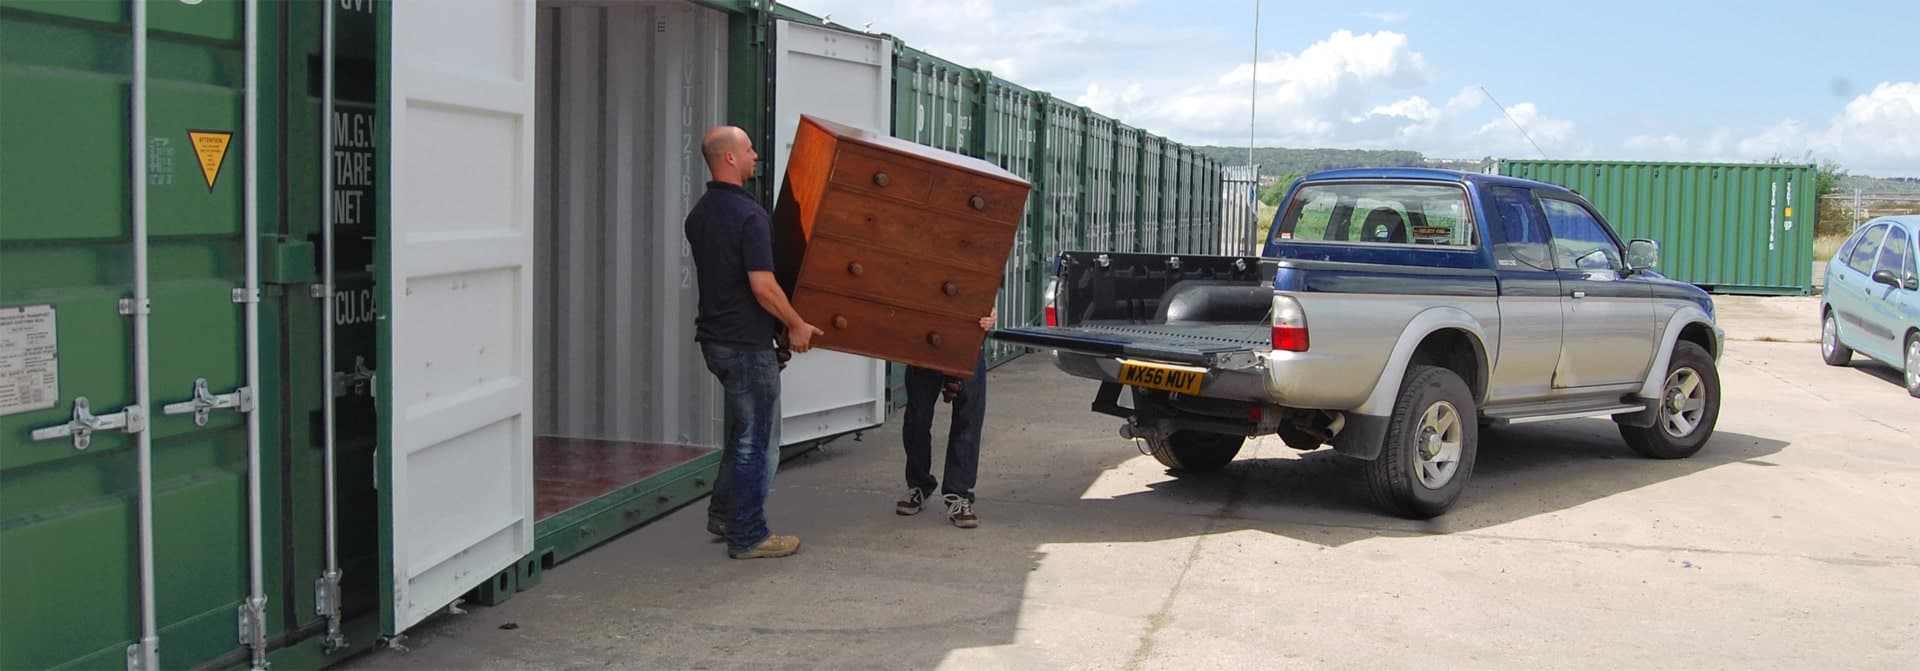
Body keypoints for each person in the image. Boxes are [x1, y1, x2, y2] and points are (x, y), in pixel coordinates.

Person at [684, 125, 824, 560]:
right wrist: (796, 323)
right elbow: (762, 285)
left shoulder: (701, 213)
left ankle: (725, 515)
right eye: (748, 149)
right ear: (728, 159)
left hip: (717, 341)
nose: (756, 155)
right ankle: (748, 534)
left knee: (744, 434)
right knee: (758, 441)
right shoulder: (749, 216)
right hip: (745, 345)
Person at [895, 306, 995, 528]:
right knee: (917, 419)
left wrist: (990, 312)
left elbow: (987, 286)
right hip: (925, 340)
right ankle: (919, 484)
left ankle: (958, 494)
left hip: (966, 341)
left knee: (968, 418)